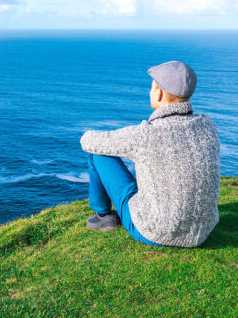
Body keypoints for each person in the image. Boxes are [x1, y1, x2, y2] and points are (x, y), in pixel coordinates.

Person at [79, 61, 220, 248]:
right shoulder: (208, 126)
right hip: (201, 232)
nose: (150, 92)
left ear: (160, 93)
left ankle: (102, 216)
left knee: (95, 152)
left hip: (154, 232)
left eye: (152, 88)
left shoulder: (148, 134)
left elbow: (88, 141)